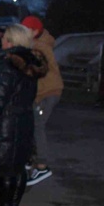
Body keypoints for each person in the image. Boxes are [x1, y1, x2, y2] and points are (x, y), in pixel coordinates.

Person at [0, 24, 48, 206]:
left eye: (4, 38)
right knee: (18, 167)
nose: (1, 40)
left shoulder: (6, 66)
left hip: (6, 122)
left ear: (10, 41)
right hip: (24, 120)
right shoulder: (30, 64)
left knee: (7, 168)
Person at [23, 15, 62, 187]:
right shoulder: (38, 44)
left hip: (47, 92)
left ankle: (42, 165)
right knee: (31, 124)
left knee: (37, 125)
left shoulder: (39, 47)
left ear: (35, 31)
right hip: (41, 92)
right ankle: (30, 158)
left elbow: (35, 69)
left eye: (26, 30)